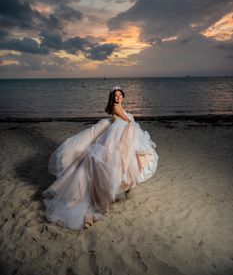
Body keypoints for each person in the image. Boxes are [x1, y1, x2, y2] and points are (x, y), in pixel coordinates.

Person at [42, 85, 159, 230]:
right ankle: (116, 189)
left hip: (121, 136)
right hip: (117, 138)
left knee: (128, 162)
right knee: (118, 163)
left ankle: (124, 187)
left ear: (123, 96)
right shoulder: (116, 108)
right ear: (112, 98)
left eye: (120, 95)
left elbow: (126, 122)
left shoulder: (120, 107)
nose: (118, 97)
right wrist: (133, 125)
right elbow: (128, 122)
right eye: (115, 96)